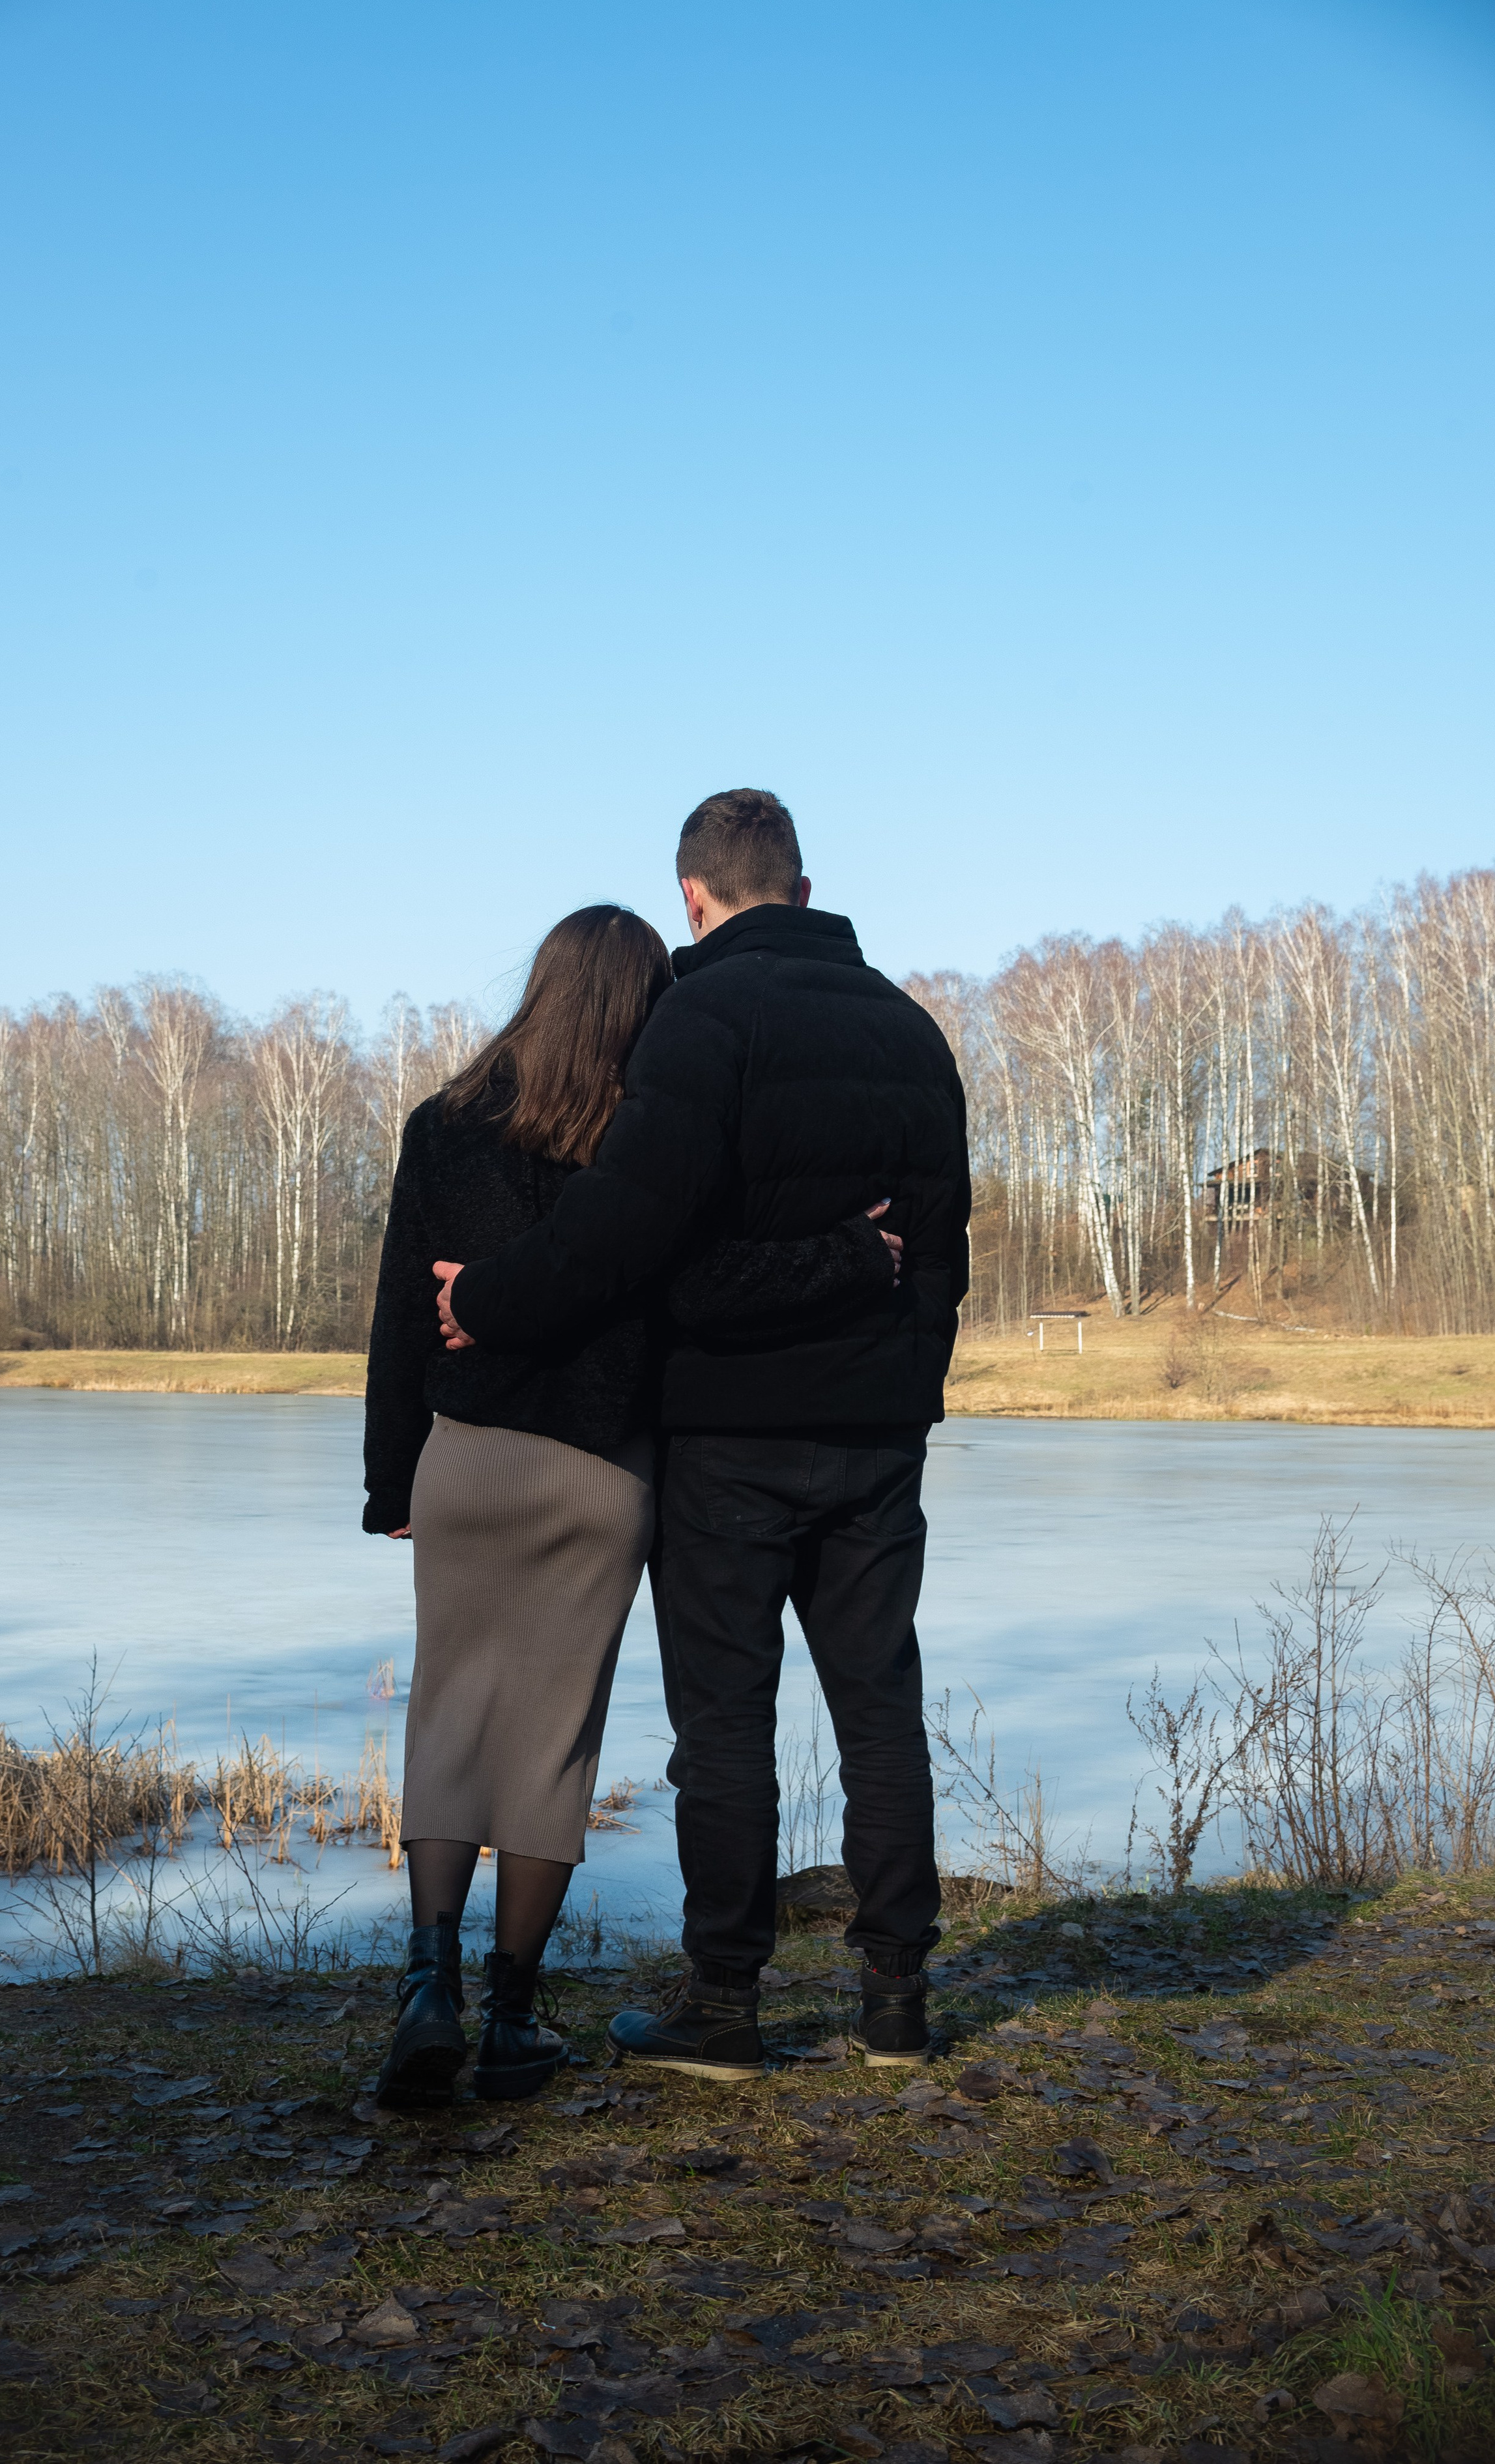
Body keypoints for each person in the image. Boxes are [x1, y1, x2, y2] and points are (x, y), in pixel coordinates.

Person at [437, 791, 972, 2078]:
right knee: (878, 1706)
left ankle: (723, 2008)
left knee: (724, 1722)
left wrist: (481, 1302)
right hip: (878, 1436)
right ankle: (895, 2003)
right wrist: (900, 1379)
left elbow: (624, 1236)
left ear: (692, 896)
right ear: (798, 884)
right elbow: (939, 1260)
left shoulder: (700, 1019)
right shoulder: (910, 1031)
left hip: (729, 1432)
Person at [362, 901, 903, 2105]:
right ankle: (509, 2020)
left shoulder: (441, 1127)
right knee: (551, 1739)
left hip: (463, 1460)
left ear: (540, 986)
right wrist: (853, 1256)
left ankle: (427, 1989)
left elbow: (403, 1316)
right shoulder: (646, 1138)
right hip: (602, 1474)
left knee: (449, 1719)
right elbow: (704, 1288)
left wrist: (388, 1479)